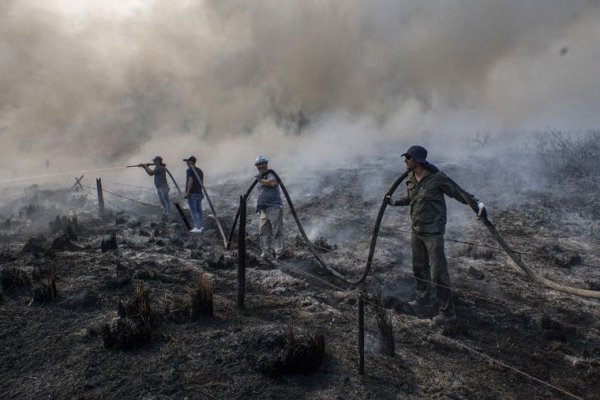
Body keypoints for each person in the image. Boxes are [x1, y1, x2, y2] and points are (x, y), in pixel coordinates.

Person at [386, 145, 486, 325]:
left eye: (408, 158)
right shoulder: (410, 177)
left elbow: (458, 192)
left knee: (438, 273)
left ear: (417, 161)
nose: (405, 161)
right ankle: (423, 298)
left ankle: (447, 313)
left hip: (433, 233)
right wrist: (394, 202)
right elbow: (411, 199)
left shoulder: (437, 178)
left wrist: (477, 204)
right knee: (418, 267)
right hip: (417, 230)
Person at [254, 155, 285, 260]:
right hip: (263, 210)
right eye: (258, 165)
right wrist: (258, 206)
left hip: (273, 208)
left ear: (266, 164)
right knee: (263, 232)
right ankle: (266, 253)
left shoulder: (270, 173)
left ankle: (279, 254)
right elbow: (260, 194)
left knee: (277, 231)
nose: (260, 166)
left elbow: (272, 183)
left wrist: (261, 181)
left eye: (262, 164)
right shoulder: (261, 177)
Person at [183, 156, 204, 233]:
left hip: (192, 194)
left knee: (193, 211)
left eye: (188, 161)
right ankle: (201, 226)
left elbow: (191, 182)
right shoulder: (200, 170)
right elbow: (202, 183)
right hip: (199, 193)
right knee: (199, 210)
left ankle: (197, 227)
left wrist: (187, 193)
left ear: (192, 162)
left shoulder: (189, 170)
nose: (186, 163)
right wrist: (200, 192)